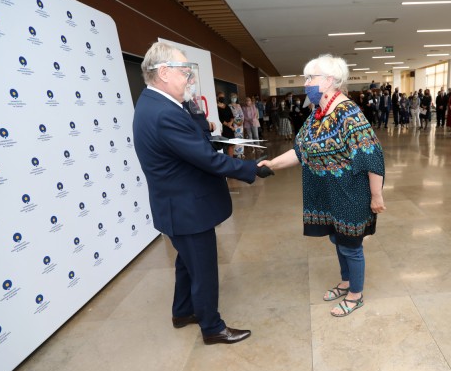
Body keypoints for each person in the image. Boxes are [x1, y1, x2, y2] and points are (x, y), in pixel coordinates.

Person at [132, 42, 273, 346]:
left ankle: (183, 312)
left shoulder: (157, 104)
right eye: (185, 72)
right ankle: (212, 328)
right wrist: (252, 169)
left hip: (176, 205)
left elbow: (196, 138)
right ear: (164, 73)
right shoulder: (163, 113)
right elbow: (206, 157)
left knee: (186, 262)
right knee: (204, 267)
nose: (189, 79)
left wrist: (192, 106)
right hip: (186, 208)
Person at [258, 54, 386, 317]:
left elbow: (372, 158)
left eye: (310, 78)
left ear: (329, 81)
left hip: (351, 194)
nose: (305, 83)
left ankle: (355, 294)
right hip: (329, 193)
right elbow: (300, 150)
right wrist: (272, 164)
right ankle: (346, 281)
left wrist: (376, 197)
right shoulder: (318, 113)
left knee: (351, 245)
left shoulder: (349, 113)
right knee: (337, 238)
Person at [228, 93, 245, 158]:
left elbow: (242, 115)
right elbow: (229, 116)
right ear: (230, 98)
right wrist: (235, 121)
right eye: (232, 97)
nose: (234, 98)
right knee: (235, 137)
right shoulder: (228, 106)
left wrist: (241, 122)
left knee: (240, 137)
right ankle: (236, 153)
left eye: (235, 97)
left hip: (240, 124)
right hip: (233, 123)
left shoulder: (238, 105)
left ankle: (241, 152)